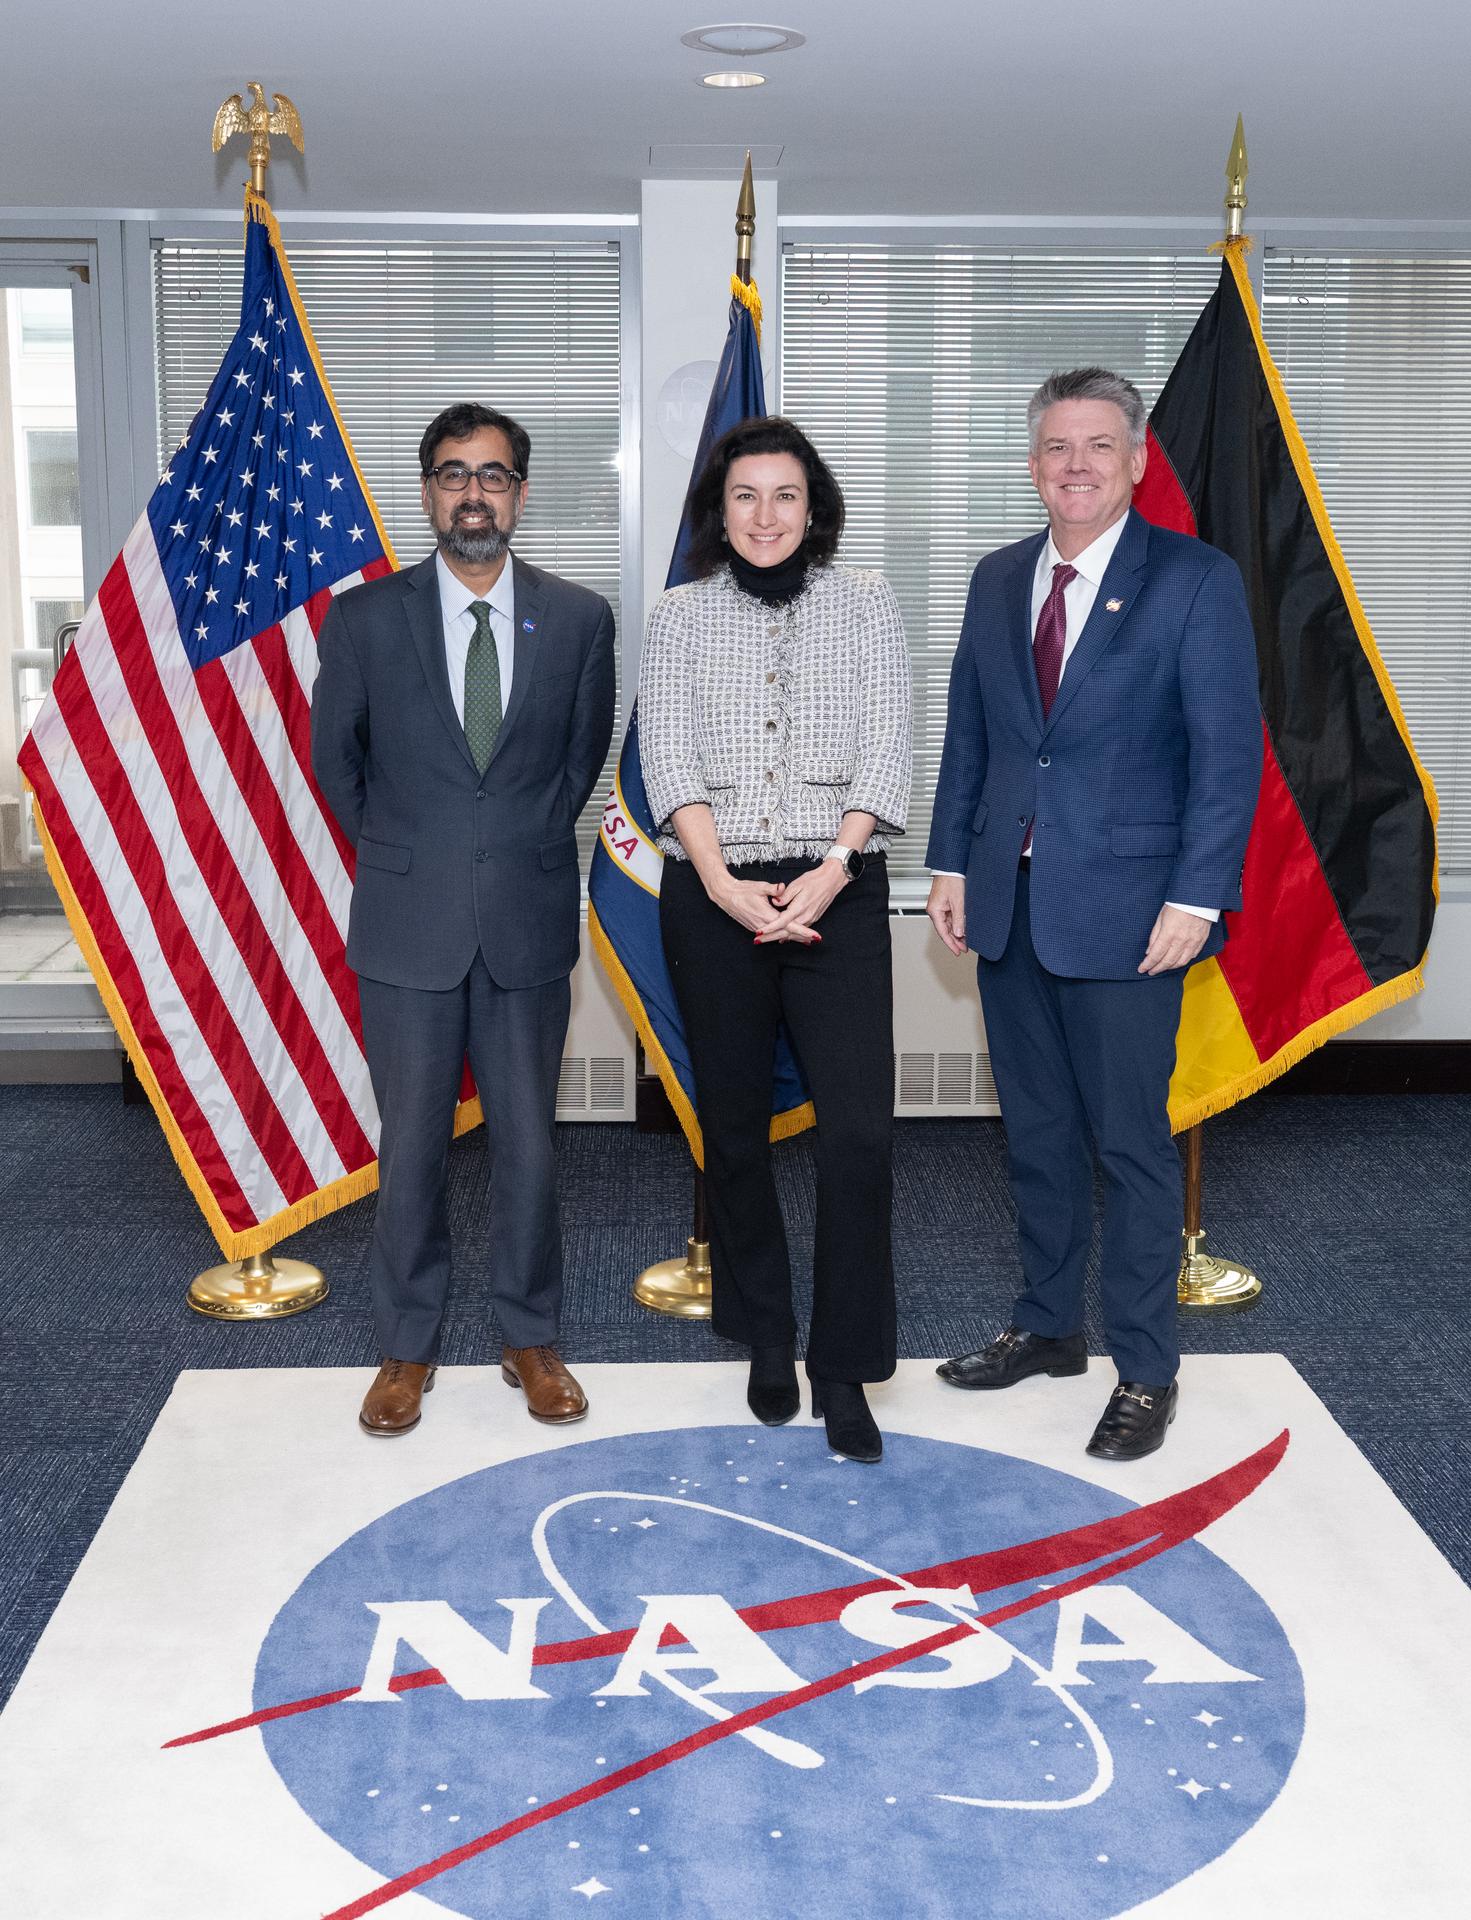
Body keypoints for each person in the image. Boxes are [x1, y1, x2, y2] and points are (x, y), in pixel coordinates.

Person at [926, 368, 1261, 1461]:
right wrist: (947, 864)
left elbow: (1226, 757)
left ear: (1134, 461)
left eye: (1098, 446)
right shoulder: (993, 578)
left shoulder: (1194, 580)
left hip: (1132, 911)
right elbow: (973, 736)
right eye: (1056, 448)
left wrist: (1197, 897)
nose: (1076, 465)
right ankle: (1044, 1324)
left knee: (1129, 1146)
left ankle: (1145, 1368)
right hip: (1008, 904)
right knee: (1035, 1134)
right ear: (1033, 465)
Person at [311, 402, 615, 1437]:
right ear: (429, 492)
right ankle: (407, 1348)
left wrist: (509, 844)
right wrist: (412, 851)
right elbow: (335, 766)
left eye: (492, 475)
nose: (472, 493)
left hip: (525, 917)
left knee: (530, 1142)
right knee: (412, 1148)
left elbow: (575, 765)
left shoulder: (578, 620)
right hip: (407, 921)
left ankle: (530, 1339)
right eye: (452, 474)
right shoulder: (363, 621)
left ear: (520, 494)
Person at [639, 416, 911, 1463]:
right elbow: (667, 754)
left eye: (784, 495)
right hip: (711, 894)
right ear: (721, 508)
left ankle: (842, 1363)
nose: (764, 516)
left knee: (858, 1136)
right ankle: (764, 1334)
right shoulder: (676, 616)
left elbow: (891, 740)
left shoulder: (869, 604)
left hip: (834, 886)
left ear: (814, 506)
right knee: (736, 1131)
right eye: (744, 495)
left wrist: (831, 870)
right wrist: (719, 881)